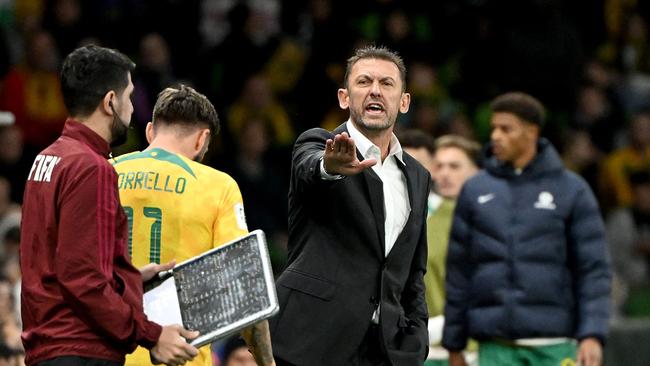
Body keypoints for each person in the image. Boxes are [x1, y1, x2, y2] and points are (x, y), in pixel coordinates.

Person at [19, 45, 199, 366]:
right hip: (81, 350)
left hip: (47, 348)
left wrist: (126, 279)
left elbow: (58, 263)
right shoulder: (92, 167)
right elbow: (82, 280)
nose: (131, 110)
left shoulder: (46, 159)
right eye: (128, 97)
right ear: (110, 102)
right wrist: (150, 334)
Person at [269, 45, 430, 366]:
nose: (375, 91)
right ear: (344, 98)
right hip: (313, 342)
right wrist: (328, 167)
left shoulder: (419, 175)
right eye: (364, 82)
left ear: (404, 101)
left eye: (386, 84)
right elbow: (310, 169)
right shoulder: (316, 143)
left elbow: (413, 269)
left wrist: (417, 334)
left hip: (385, 349)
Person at [443, 92, 612, 366]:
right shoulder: (475, 190)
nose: (495, 135)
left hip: (555, 345)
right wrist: (454, 343)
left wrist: (592, 333)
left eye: (506, 128)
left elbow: (593, 269)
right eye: (494, 127)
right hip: (494, 347)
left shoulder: (572, 190)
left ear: (531, 132)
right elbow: (459, 272)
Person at [111, 85, 275, 366]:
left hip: (107, 352)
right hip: (179, 357)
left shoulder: (103, 171)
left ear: (151, 131)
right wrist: (266, 362)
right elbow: (244, 289)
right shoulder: (218, 187)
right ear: (202, 140)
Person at [402, 133, 480, 366]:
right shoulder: (415, 216)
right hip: (420, 346)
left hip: (468, 347)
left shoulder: (480, 220)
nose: (445, 173)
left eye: (454, 166)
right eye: (440, 166)